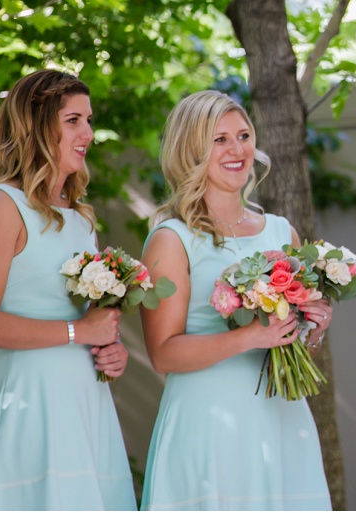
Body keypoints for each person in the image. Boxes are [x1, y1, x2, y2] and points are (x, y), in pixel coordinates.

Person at [139, 90, 334, 510]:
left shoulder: (283, 233)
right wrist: (248, 338)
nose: (237, 149)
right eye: (219, 139)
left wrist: (312, 330)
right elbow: (162, 354)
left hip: (282, 419)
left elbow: (292, 346)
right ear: (191, 150)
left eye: (243, 135)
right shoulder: (171, 240)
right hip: (209, 424)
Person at [0, 69, 135, 510]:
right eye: (73, 120)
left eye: (88, 120)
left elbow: (88, 320)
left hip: (87, 400)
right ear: (36, 125)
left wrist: (110, 347)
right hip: (32, 401)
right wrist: (78, 333)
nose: (88, 132)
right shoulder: (1, 204)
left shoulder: (81, 216)